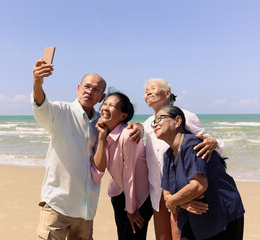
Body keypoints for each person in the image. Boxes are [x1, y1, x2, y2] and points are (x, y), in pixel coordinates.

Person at [31, 58, 143, 240]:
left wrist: (139, 126)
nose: (90, 91)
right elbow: (41, 106)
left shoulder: (102, 122)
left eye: (96, 90)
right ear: (78, 88)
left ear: (101, 97)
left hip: (86, 209)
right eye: (87, 86)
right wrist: (37, 82)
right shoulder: (61, 112)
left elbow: (121, 126)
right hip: (57, 204)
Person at [143, 78, 224, 240]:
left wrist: (213, 142)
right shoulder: (146, 124)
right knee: (162, 237)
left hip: (182, 190)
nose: (148, 93)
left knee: (178, 234)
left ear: (167, 93)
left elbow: (205, 142)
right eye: (145, 91)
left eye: (152, 88)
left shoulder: (186, 115)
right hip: (158, 190)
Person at [154, 105, 245, 239]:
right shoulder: (168, 155)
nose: (155, 124)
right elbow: (167, 193)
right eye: (153, 121)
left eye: (159, 118)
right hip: (194, 218)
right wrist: (180, 202)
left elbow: (198, 185)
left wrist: (173, 201)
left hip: (223, 215)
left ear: (177, 121)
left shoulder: (193, 145)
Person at [91, 91, 153, 240]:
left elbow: (129, 174)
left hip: (140, 198)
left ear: (123, 116)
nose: (105, 107)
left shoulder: (128, 135)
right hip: (119, 193)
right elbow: (99, 169)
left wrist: (132, 209)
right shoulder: (105, 134)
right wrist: (101, 137)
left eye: (111, 105)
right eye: (104, 104)